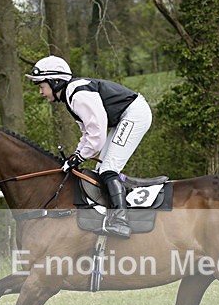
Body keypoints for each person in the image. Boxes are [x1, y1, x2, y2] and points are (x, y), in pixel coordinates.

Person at [25, 55, 152, 238]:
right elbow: (88, 134)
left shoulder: (78, 94)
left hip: (134, 114)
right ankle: (113, 213)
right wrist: (75, 155)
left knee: (108, 169)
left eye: (41, 86)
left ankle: (121, 221)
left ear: (54, 81)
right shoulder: (71, 96)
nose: (41, 92)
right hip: (124, 117)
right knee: (101, 170)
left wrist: (78, 158)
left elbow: (97, 137)